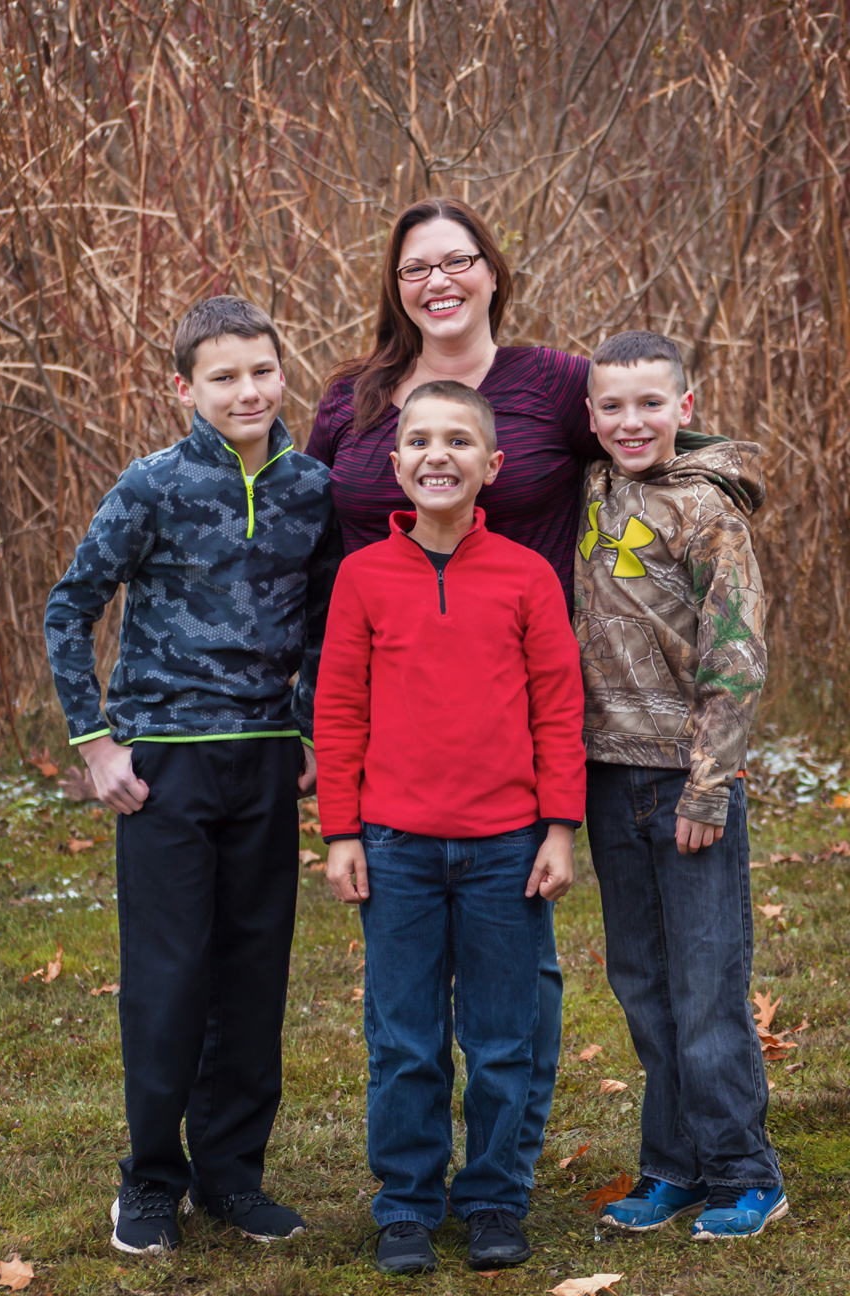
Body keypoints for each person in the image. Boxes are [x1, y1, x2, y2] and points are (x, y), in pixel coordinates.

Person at [306, 196, 599, 1187]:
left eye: (457, 260)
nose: (437, 281)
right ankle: (410, 1192)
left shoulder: (555, 384)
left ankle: (501, 1181)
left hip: (510, 744)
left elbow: (645, 435)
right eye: (414, 268)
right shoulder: (354, 397)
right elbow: (302, 529)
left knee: (514, 1001)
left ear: (493, 271)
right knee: (405, 1023)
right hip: (392, 745)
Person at [44, 296, 340, 1255]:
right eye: (223, 377)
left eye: (262, 371)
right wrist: (96, 742)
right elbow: (70, 606)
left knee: (253, 973)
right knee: (169, 980)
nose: (247, 391)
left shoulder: (313, 489)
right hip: (164, 767)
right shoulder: (153, 486)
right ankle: (149, 1181)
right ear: (185, 388)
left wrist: (307, 730)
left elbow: (329, 621)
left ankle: (232, 1178)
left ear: (282, 372)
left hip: (265, 763)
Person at [574, 330, 786, 1240]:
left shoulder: (708, 510)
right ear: (591, 415)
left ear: (684, 408)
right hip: (608, 775)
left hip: (686, 782)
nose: (632, 421)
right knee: (642, 983)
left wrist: (708, 786)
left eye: (651, 404)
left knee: (706, 985)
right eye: (613, 406)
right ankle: (674, 1166)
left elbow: (735, 653)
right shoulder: (593, 487)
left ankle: (744, 1171)